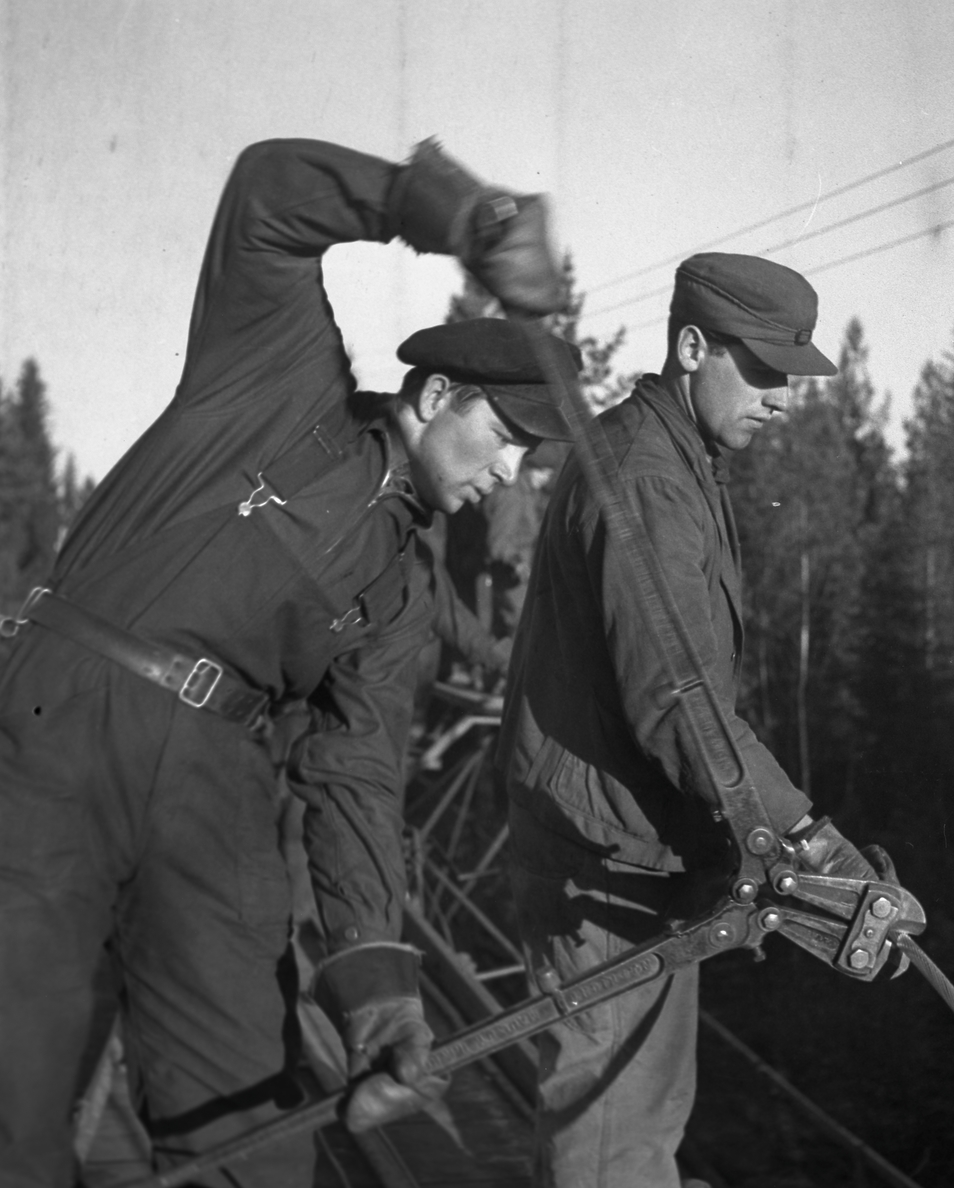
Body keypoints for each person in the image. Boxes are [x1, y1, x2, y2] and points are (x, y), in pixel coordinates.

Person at [0, 136, 580, 1188]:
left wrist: (379, 996)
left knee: (250, 1130)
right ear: (435, 394)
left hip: (216, 784)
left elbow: (355, 776)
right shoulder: (278, 379)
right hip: (63, 723)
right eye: (504, 436)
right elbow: (267, 199)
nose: (508, 473)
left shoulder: (402, 590)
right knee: (16, 1092)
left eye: (528, 459)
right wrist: (465, 217)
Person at [498, 253, 896, 1187]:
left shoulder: (676, 460)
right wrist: (805, 839)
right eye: (763, 370)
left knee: (637, 1125)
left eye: (790, 377)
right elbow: (678, 698)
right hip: (603, 870)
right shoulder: (647, 474)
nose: (782, 399)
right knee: (613, 1141)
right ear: (690, 348)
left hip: (633, 856)